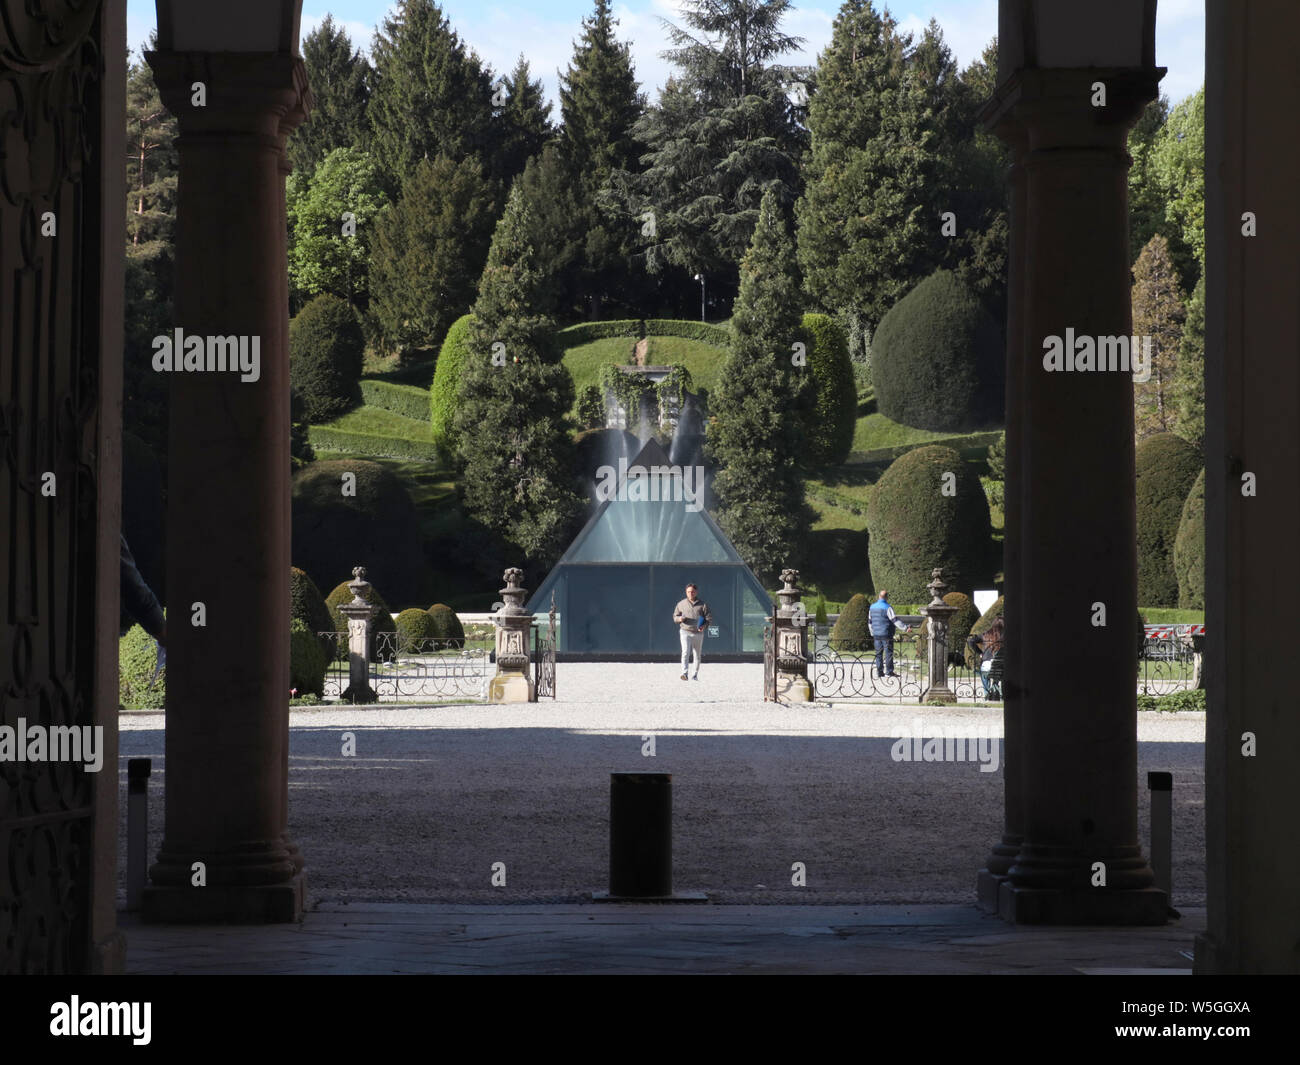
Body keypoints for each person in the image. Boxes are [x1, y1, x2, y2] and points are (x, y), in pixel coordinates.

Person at [673, 582, 712, 681]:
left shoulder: (703, 604)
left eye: (693, 592)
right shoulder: (681, 604)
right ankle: (684, 673)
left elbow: (708, 618)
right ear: (686, 592)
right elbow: (675, 617)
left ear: (696, 592)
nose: (691, 593)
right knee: (685, 652)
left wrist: (704, 626)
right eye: (688, 592)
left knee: (697, 654)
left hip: (698, 633)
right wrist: (679, 619)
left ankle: (695, 674)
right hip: (685, 631)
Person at [868, 589, 908, 678]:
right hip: (886, 633)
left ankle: (879, 672)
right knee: (888, 653)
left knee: (878, 653)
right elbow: (895, 620)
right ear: (886, 597)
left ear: (879, 596)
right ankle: (889, 672)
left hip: (876, 634)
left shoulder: (872, 607)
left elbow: (870, 622)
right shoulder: (887, 607)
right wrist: (905, 628)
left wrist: (872, 632)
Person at [966, 617, 1005, 697]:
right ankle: (996, 688)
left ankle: (987, 693)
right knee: (997, 670)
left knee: (984, 673)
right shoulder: (1005, 636)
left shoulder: (985, 635)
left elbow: (970, 641)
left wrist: (980, 653)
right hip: (1002, 668)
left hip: (987, 666)